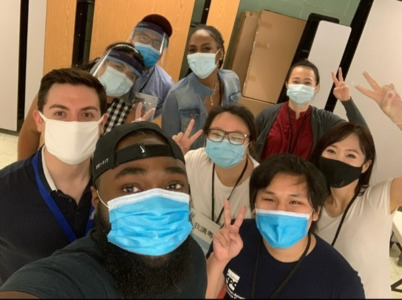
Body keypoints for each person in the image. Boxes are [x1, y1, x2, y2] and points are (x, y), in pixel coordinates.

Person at [0, 121, 207, 298]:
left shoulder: (194, 258)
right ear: (97, 198)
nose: (157, 205)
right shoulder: (73, 276)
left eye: (173, 186)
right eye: (130, 188)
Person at [0, 68, 108, 285]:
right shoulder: (5, 190)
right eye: (60, 113)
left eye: (86, 115)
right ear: (39, 121)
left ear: (102, 124)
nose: (74, 125)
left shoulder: (115, 188)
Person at [206, 153, 365, 299]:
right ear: (254, 205)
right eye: (269, 199)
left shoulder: (343, 285)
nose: (280, 210)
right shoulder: (234, 236)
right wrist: (219, 260)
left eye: (295, 202)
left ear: (315, 212)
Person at [309, 71, 402, 298]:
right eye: (331, 151)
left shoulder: (379, 199)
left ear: (365, 165)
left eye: (351, 155)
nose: (339, 159)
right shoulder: (308, 202)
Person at [17, 42, 145, 159]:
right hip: (51, 167)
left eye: (131, 75)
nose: (122, 77)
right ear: (101, 62)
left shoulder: (130, 111)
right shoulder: (59, 88)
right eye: (118, 67)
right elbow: (30, 131)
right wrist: (24, 172)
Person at [181, 105, 259, 254]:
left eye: (236, 137)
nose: (225, 142)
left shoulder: (261, 182)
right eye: (216, 134)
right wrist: (173, 158)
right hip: (191, 250)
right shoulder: (194, 160)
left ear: (250, 143)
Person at [255, 60, 368, 161]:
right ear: (287, 85)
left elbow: (363, 135)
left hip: (304, 183)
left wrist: (347, 102)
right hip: (264, 181)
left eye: (307, 83)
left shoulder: (325, 120)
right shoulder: (267, 115)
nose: (301, 86)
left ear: (316, 88)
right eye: (296, 81)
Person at [162, 24, 242, 150]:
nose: (198, 55)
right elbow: (169, 147)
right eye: (193, 50)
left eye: (206, 49)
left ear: (220, 53)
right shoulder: (176, 96)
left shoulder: (232, 80)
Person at [127, 14, 175, 119]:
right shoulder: (112, 66)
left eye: (157, 43)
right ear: (132, 38)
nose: (149, 46)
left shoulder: (166, 85)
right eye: (144, 38)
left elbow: (154, 115)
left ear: (162, 51)